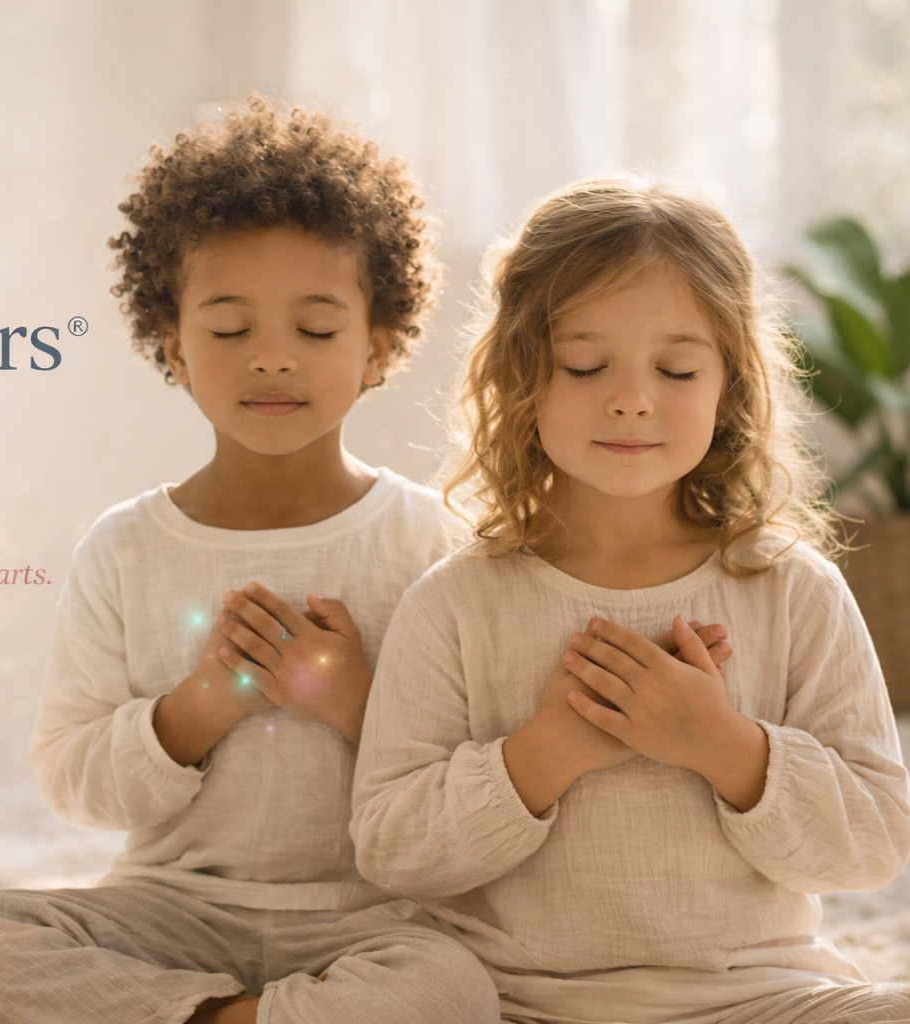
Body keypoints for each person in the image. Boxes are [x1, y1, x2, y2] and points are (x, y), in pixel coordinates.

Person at [0, 96, 511, 1024]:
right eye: (230, 330)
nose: (271, 360)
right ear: (174, 349)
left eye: (315, 330)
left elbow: (473, 779)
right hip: (172, 909)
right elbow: (71, 774)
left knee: (456, 990)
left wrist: (350, 702)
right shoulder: (124, 548)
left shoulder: (431, 541)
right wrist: (198, 708)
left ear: (377, 348)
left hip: (369, 918)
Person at [351, 177, 910, 1024]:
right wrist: (543, 755)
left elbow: (874, 842)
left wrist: (725, 747)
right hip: (517, 1004)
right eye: (584, 364)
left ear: (730, 386)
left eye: (677, 368)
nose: (631, 397)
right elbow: (391, 849)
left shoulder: (793, 588)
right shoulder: (455, 603)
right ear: (521, 378)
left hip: (759, 999)